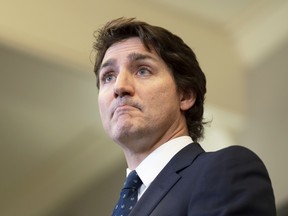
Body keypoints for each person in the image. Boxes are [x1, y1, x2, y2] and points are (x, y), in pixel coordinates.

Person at [93, 17, 276, 216]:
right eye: (108, 76)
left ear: (186, 95)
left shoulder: (225, 170)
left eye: (143, 70)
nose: (119, 87)